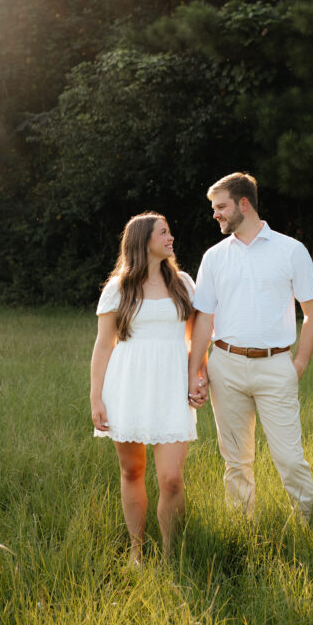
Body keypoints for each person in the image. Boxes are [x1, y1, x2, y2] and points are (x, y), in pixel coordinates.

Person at [188, 172, 313, 525]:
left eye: (220, 206)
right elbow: (203, 319)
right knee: (235, 460)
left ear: (243, 203)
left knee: (289, 458)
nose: (215, 214)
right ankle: (242, 530)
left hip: (276, 366)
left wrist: (300, 364)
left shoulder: (290, 250)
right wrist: (195, 371)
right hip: (225, 367)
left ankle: (311, 527)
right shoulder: (214, 257)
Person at [90, 212, 201, 563]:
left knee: (171, 479)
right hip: (128, 385)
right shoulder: (118, 288)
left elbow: (195, 337)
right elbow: (104, 345)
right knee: (132, 470)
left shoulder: (183, 282)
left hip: (172, 386)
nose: (171, 238)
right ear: (142, 242)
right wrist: (96, 397)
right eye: (163, 233)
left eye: (169, 231)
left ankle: (171, 556)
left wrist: (199, 376)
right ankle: (137, 553)